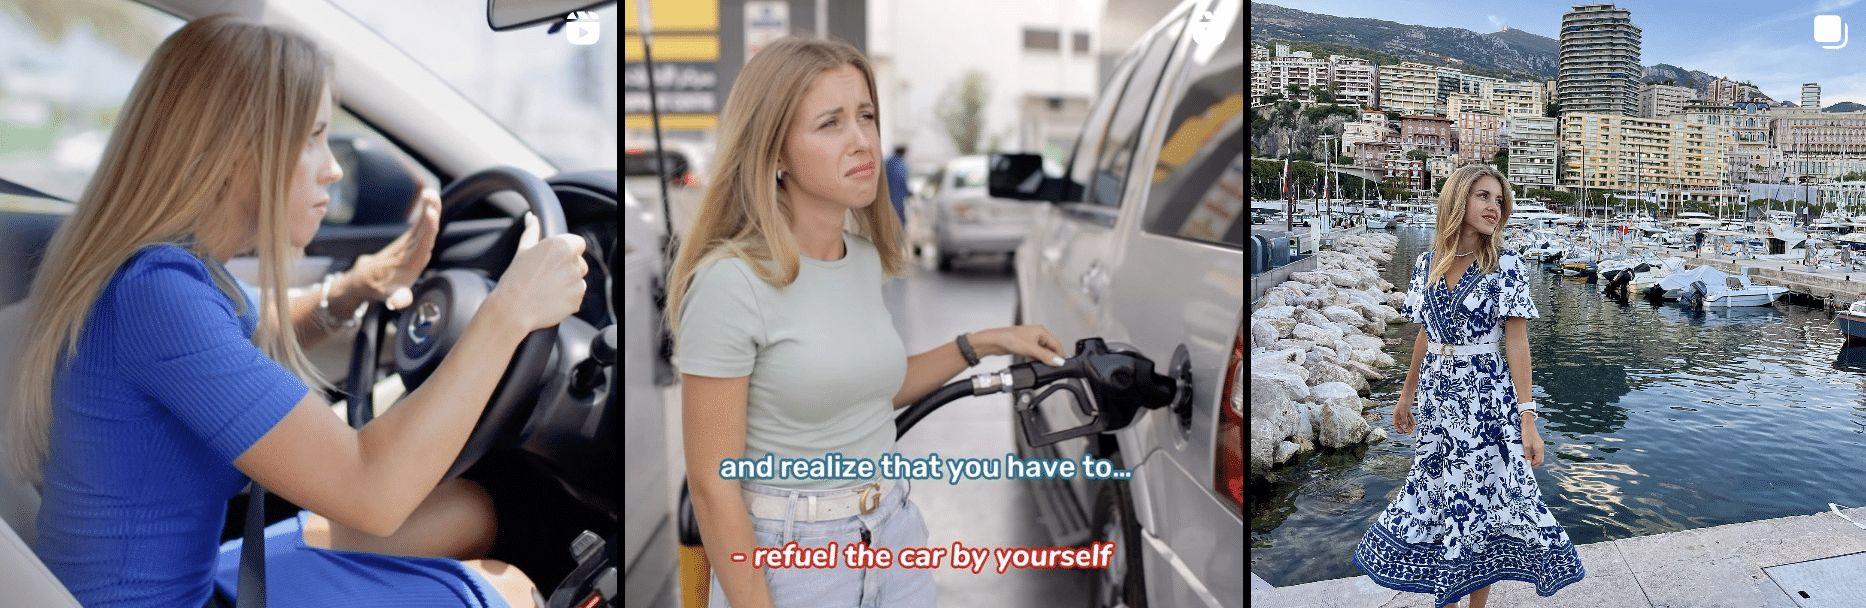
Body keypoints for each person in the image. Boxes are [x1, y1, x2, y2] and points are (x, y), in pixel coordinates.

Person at [3, 15, 588, 608]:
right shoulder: (158, 295)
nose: (332, 167)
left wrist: (362, 285)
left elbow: (266, 329)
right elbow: (373, 489)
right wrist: (508, 312)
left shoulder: (168, 273)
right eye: (311, 136)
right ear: (236, 154)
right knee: (509, 589)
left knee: (467, 510)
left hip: (191, 580)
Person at [664, 35, 1069, 608]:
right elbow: (711, 484)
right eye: (830, 124)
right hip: (793, 558)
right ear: (775, 152)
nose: (862, 141)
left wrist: (986, 342)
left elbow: (867, 390)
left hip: (893, 532)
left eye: (866, 116)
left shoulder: (859, 258)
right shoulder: (732, 283)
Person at [1353, 165, 1585, 608]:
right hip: (1439, 403)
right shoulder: (1427, 264)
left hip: (1485, 405)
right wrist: (1405, 394)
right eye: (1483, 197)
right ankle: (1448, 598)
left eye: (1499, 200)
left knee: (1478, 509)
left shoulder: (1507, 266)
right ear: (1458, 200)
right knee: (1442, 504)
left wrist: (1528, 419)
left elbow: (1517, 344)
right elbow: (1425, 334)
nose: (1494, 208)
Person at [885, 145, 910, 228]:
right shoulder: (897, 164)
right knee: (897, 216)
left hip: (892, 194)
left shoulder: (889, 162)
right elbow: (902, 179)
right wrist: (908, 192)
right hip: (895, 195)